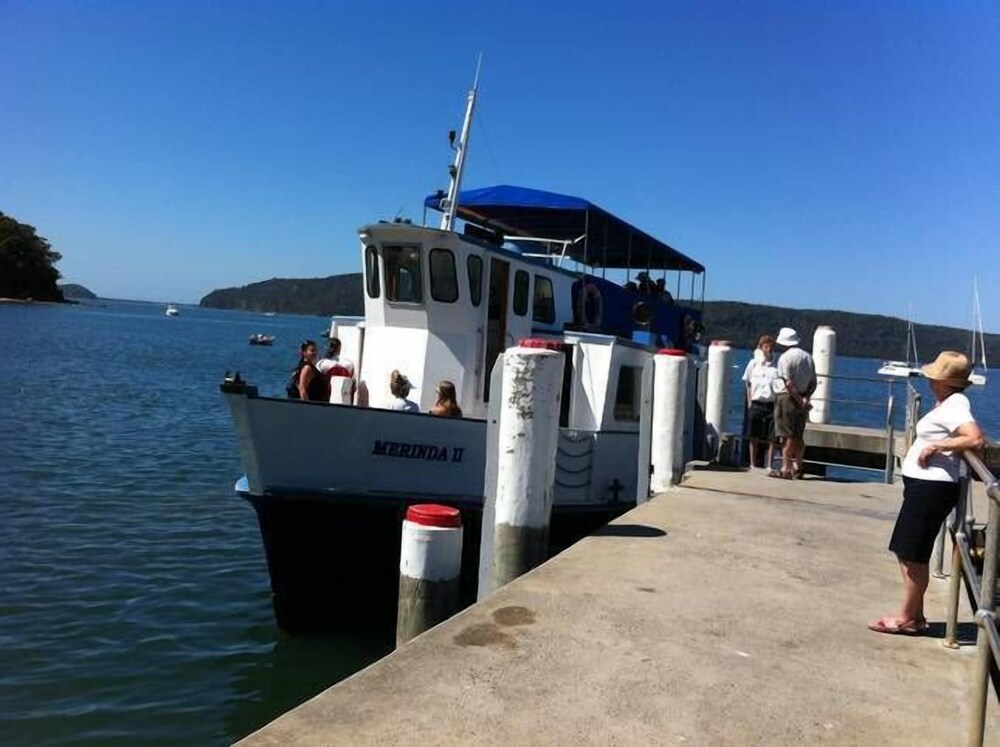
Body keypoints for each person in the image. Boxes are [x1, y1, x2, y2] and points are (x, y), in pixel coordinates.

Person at [869, 351, 985, 635]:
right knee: (908, 550)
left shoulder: (956, 404)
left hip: (932, 488)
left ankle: (907, 616)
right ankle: (915, 614)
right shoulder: (948, 402)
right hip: (924, 486)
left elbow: (975, 438)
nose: (930, 378)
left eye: (935, 375)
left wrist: (939, 446)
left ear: (945, 380)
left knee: (912, 553)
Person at [770, 327, 816, 478]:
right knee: (798, 435)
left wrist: (798, 399)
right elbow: (813, 382)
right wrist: (805, 398)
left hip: (788, 398)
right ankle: (798, 466)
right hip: (803, 396)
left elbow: (788, 383)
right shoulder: (808, 357)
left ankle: (785, 467)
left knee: (787, 435)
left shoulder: (785, 358)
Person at [742, 334, 778, 470]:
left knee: (772, 436)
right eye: (766, 346)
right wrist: (749, 401)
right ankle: (752, 463)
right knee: (753, 434)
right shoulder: (753, 364)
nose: (768, 349)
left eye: (770, 347)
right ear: (761, 348)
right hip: (756, 402)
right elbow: (748, 382)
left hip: (771, 403)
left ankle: (770, 464)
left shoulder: (776, 365)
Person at [316, 337, 356, 404]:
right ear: (339, 349)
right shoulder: (349, 364)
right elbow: (352, 383)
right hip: (345, 399)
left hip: (326, 398)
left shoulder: (321, 364)